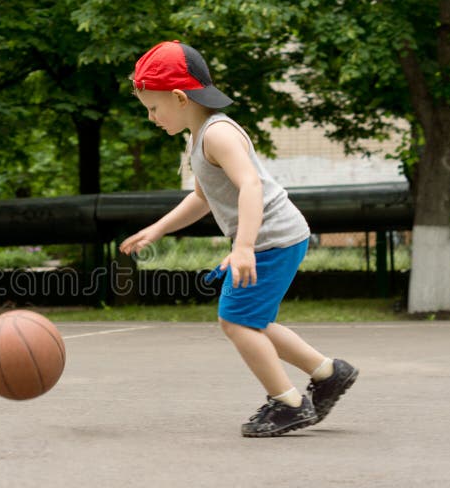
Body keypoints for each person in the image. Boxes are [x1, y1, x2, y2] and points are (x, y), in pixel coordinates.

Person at [119, 41, 359, 437]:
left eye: (153, 107)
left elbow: (250, 185)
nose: (150, 117)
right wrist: (159, 227)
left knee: (235, 320)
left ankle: (289, 403)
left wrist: (243, 247)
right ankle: (329, 373)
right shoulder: (197, 136)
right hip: (273, 237)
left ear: (179, 98)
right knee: (253, 320)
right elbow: (202, 198)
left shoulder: (218, 134)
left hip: (270, 239)